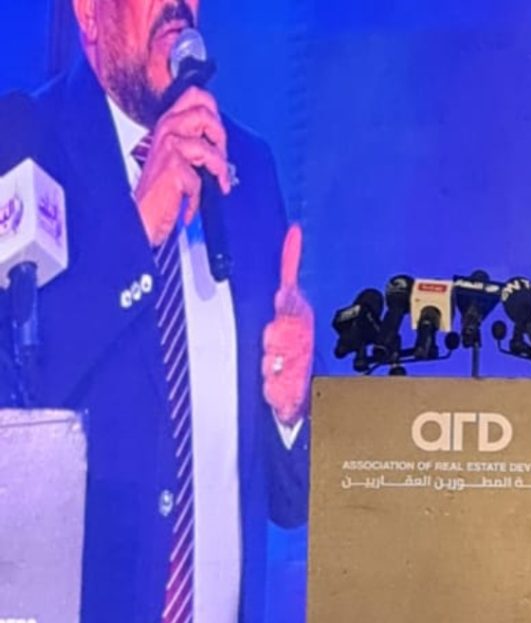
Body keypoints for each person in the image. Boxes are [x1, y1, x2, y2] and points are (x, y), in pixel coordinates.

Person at [31, 0, 313, 620]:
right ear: (88, 12)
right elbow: (18, 391)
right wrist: (134, 235)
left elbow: (288, 499)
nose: (179, 5)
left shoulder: (249, 167)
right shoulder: (25, 145)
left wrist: (290, 408)